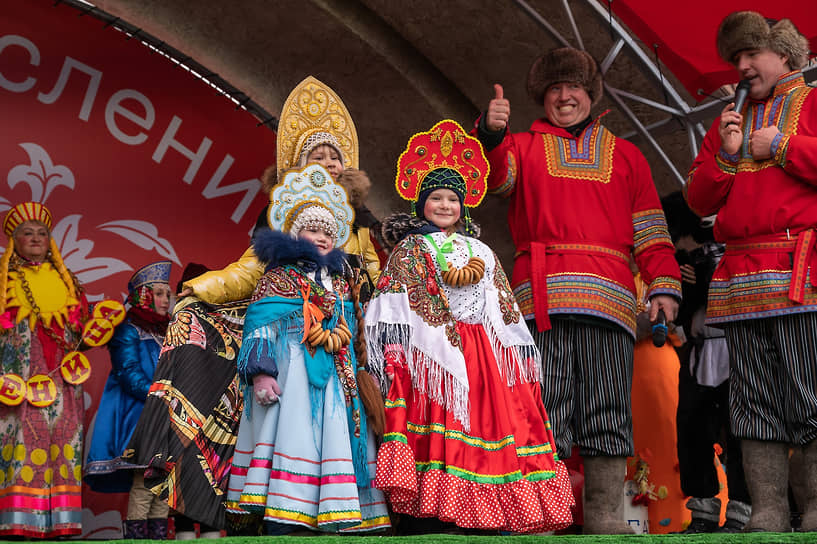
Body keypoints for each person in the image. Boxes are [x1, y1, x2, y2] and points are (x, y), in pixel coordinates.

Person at [474, 47, 681, 534]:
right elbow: (496, 181)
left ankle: (606, 520)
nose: (565, 97)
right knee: (545, 411)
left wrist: (664, 284)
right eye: (554, 89)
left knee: (608, 407)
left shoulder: (628, 156)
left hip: (609, 300)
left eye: (574, 88)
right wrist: (492, 134)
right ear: (543, 98)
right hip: (540, 300)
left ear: (591, 95)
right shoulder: (522, 146)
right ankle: (541, 519)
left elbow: (651, 230)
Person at [366, 119, 575, 534]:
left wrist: (513, 354)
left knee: (486, 434)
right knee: (440, 432)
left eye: (452, 199)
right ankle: (434, 512)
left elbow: (503, 306)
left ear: (464, 205)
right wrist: (398, 352)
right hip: (434, 356)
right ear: (420, 203)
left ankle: (483, 515)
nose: (444, 205)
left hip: (483, 359)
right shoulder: (411, 247)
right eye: (436, 198)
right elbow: (394, 302)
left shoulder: (479, 248)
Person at [686, 11, 817, 533]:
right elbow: (698, 200)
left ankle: (813, 514)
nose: (741, 68)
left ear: (784, 55)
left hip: (798, 275)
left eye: (750, 55)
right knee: (753, 403)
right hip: (740, 279)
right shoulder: (730, 122)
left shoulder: (812, 102)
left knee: (809, 393)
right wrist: (726, 152)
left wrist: (782, 147)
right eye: (735, 59)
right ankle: (765, 514)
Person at [225, 163, 390, 534]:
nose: (321, 237)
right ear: (294, 234)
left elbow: (355, 328)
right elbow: (260, 326)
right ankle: (290, 515)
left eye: (328, 232)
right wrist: (262, 374)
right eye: (312, 229)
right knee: (296, 438)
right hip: (293, 377)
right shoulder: (278, 277)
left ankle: (340, 515)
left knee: (337, 439)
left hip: (338, 377)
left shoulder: (342, 280)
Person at [180, 76, 381, 305]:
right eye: (319, 157)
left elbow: (371, 270)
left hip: (349, 321)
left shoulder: (355, 215)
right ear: (301, 165)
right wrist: (204, 287)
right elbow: (253, 268)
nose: (330, 164)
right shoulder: (282, 212)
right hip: (295, 317)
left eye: (336, 158)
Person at [660, 192, 751, 534]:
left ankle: (743, 509)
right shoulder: (687, 256)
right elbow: (682, 314)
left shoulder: (737, 249)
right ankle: (703, 510)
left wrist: (705, 277)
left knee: (742, 432)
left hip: (737, 345)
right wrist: (684, 282)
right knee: (692, 432)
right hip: (700, 349)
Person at [0, 202, 89, 538]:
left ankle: (61, 525)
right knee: (19, 444)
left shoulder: (71, 285)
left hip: (63, 385)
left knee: (64, 445)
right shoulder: (2, 282)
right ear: (14, 240)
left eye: (42, 233)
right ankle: (18, 525)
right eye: (27, 232)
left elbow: (82, 336)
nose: (35, 238)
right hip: (16, 382)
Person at [84, 261, 172, 539]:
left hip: (167, 412)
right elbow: (127, 372)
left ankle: (157, 538)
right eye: (159, 293)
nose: (166, 300)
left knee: (162, 483)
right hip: (139, 412)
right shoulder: (128, 329)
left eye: (168, 294)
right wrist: (161, 395)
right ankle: (137, 539)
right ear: (143, 295)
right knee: (144, 482)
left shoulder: (168, 329)